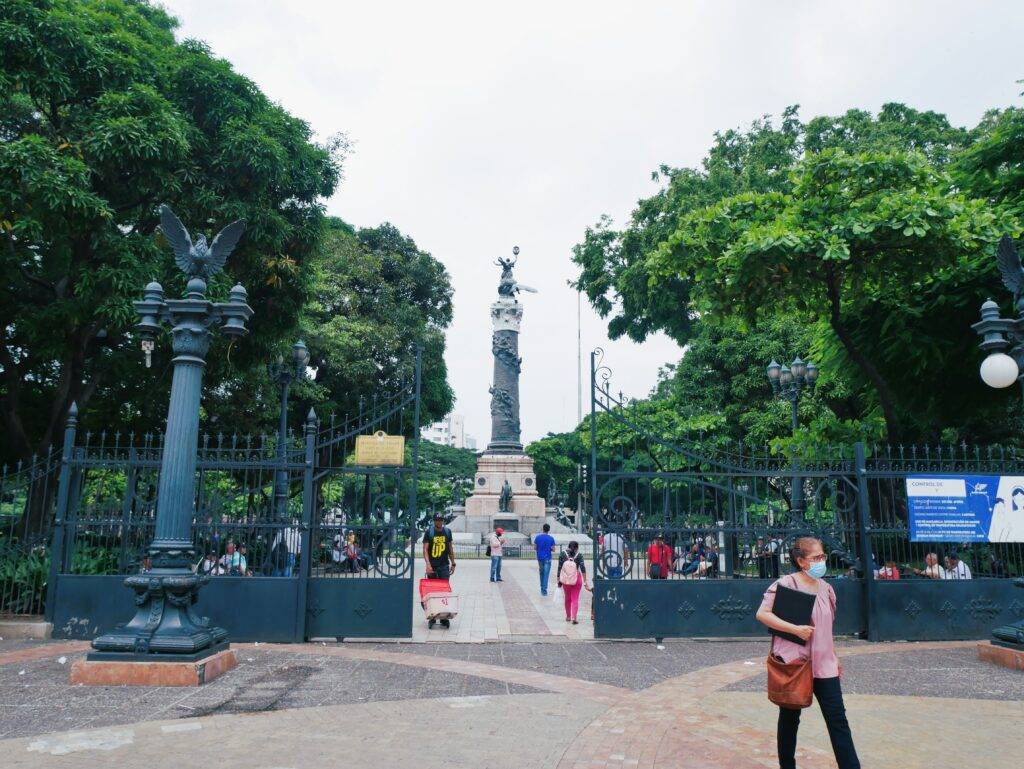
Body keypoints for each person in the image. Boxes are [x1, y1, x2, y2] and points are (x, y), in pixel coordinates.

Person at [756, 536, 861, 769]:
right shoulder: (787, 584)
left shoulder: (827, 589)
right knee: (790, 720)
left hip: (825, 665)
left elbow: (827, 629)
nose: (821, 561)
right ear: (801, 561)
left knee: (838, 720)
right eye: (815, 558)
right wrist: (794, 629)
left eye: (823, 556)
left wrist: (835, 657)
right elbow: (763, 614)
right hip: (796, 663)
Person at [558, 540, 588, 624]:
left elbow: (559, 567)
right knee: (575, 598)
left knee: (567, 598)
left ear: (568, 547)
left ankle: (568, 616)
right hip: (576, 579)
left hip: (566, 580)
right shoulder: (579, 555)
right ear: (577, 548)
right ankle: (574, 617)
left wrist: (558, 580)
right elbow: (583, 568)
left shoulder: (562, 554)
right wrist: (585, 581)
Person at [533, 523, 557, 595]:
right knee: (546, 574)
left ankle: (542, 588)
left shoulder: (537, 537)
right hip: (547, 558)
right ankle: (544, 590)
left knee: (541, 573)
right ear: (548, 530)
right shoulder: (551, 538)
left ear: (543, 529)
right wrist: (549, 548)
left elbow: (535, 548)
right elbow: (553, 549)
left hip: (540, 558)